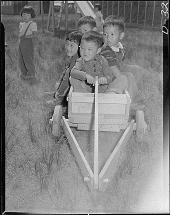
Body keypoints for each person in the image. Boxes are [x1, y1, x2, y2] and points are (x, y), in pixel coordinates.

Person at [100, 17, 145, 106]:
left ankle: (138, 93)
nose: (108, 37)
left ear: (121, 36)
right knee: (129, 76)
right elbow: (112, 68)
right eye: (105, 34)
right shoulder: (106, 50)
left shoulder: (119, 47)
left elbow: (120, 62)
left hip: (118, 68)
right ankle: (133, 102)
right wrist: (122, 76)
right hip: (108, 73)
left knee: (136, 69)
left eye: (112, 34)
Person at [45, 31, 83, 107]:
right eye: (67, 44)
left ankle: (59, 100)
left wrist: (59, 94)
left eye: (71, 45)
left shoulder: (77, 61)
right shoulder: (74, 58)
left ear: (80, 47)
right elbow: (65, 72)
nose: (68, 47)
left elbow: (66, 80)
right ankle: (58, 93)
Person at [18, 5, 38, 85]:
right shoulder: (22, 24)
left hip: (28, 43)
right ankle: (24, 74)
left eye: (28, 15)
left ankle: (31, 76)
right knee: (21, 60)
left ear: (31, 15)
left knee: (28, 59)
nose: (25, 16)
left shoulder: (32, 24)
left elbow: (35, 34)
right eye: (24, 14)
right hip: (21, 43)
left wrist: (26, 36)